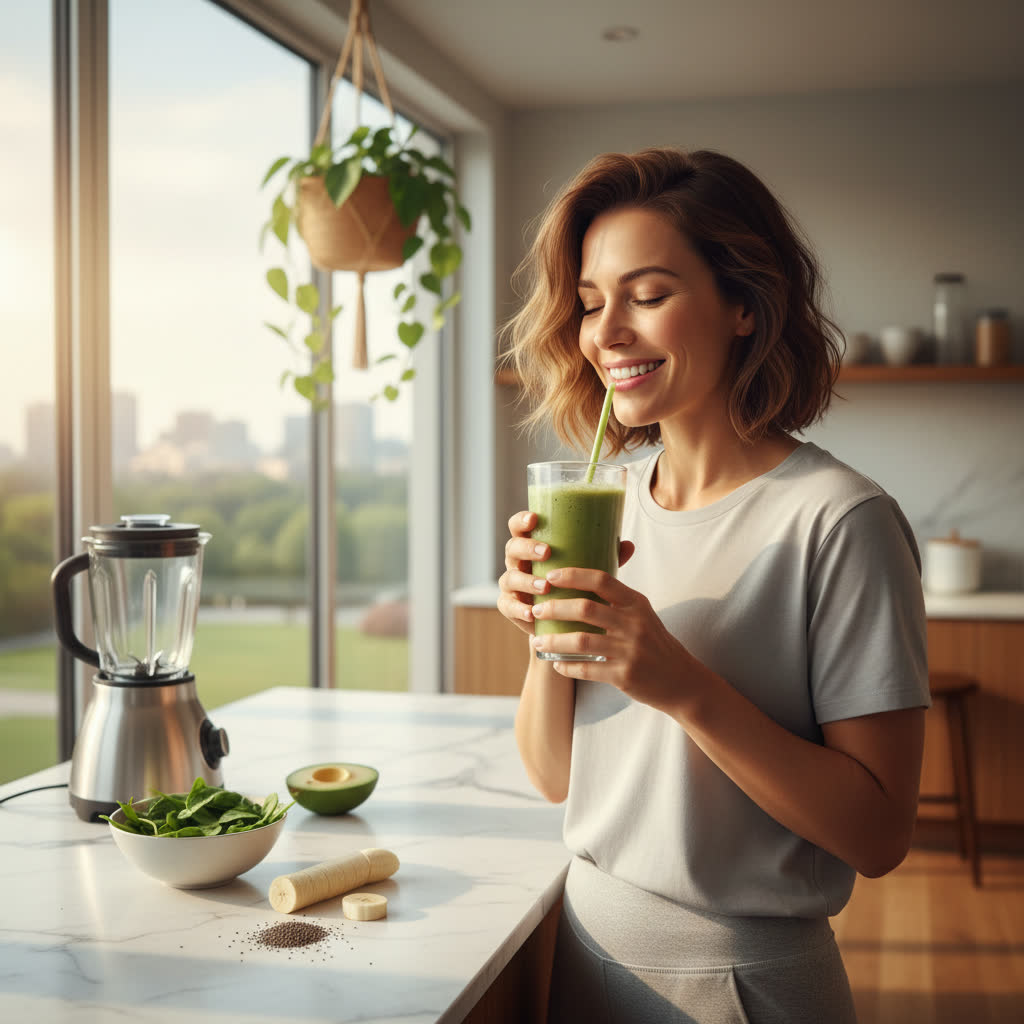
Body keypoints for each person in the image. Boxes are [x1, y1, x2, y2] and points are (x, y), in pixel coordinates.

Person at [496, 147, 930, 1024]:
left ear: (744, 304)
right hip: (583, 950)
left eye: (647, 296)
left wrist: (682, 685)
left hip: (740, 984)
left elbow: (878, 836)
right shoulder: (602, 498)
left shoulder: (838, 521)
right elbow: (553, 777)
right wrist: (549, 635)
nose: (606, 331)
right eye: (589, 304)